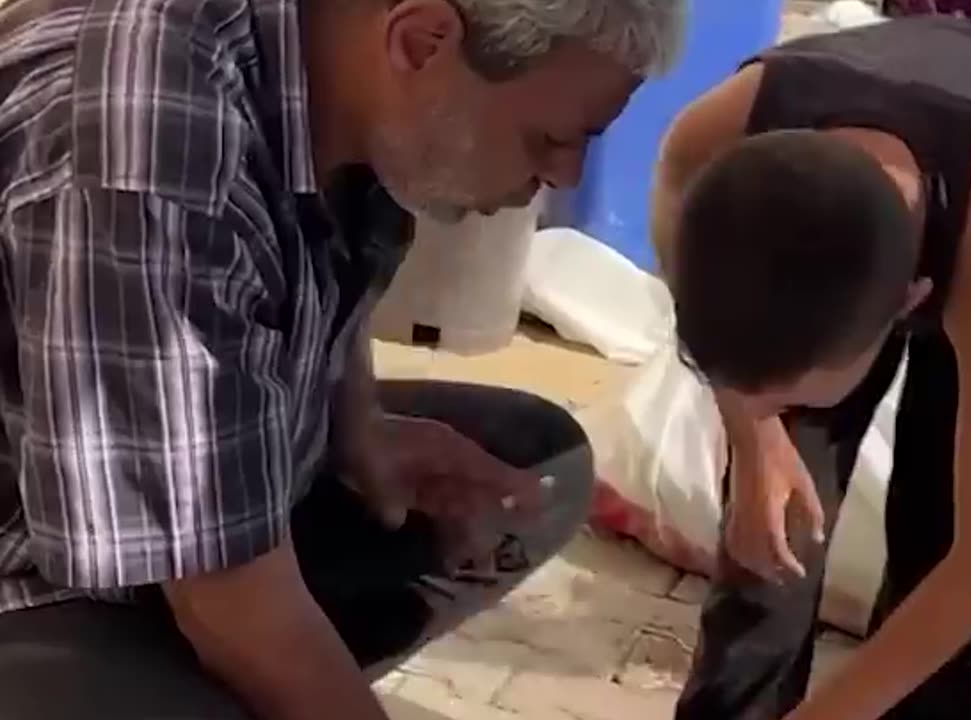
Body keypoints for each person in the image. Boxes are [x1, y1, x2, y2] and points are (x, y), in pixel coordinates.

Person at [0, 0, 683, 718]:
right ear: (422, 40)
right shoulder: (145, 143)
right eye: (547, 138)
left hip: (175, 519)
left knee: (537, 467)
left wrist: (360, 431)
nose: (565, 176)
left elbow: (321, 251)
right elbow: (218, 582)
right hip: (35, 570)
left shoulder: (340, 66)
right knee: (240, 637)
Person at [651, 15, 971, 720]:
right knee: (771, 532)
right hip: (842, 148)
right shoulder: (710, 144)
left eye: (786, 394)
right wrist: (753, 438)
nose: (767, 406)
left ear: (911, 303)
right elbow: (723, 341)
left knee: (942, 522)